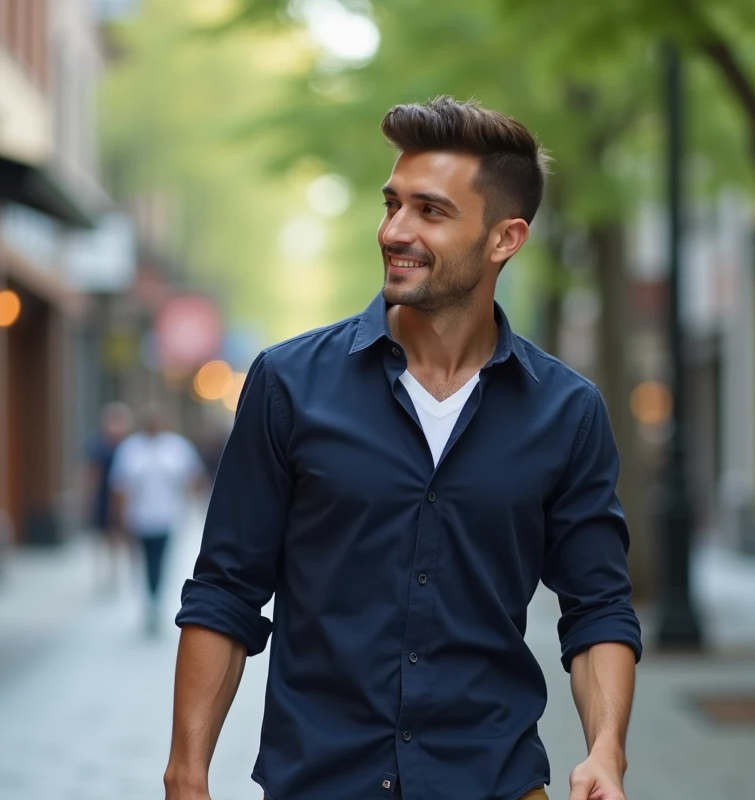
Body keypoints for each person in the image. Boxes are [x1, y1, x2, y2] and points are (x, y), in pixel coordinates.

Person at [165, 97, 641, 800]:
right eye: (392, 204)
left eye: (431, 211)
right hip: (321, 783)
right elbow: (226, 591)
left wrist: (607, 751)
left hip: (495, 783)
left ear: (505, 239)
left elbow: (596, 605)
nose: (395, 230)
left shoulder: (566, 412)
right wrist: (187, 771)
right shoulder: (289, 384)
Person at [110, 403, 208, 635]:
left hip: (167, 517)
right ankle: (149, 599)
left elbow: (194, 478)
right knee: (144, 562)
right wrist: (120, 517)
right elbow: (120, 486)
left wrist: (198, 504)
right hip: (139, 518)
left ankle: (155, 601)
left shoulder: (177, 447)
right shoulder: (131, 449)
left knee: (160, 561)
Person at [83, 401, 133, 594]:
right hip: (103, 497)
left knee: (118, 537)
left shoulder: (128, 446)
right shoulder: (98, 445)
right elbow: (91, 473)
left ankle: (116, 574)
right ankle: (102, 575)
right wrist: (88, 497)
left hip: (122, 498)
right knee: (101, 538)